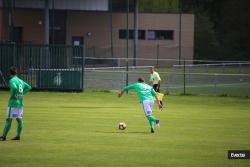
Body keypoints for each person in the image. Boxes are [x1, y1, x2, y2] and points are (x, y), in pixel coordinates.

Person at [0, 67, 32, 141]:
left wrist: (13, 95)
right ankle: (18, 136)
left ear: (10, 73)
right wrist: (21, 94)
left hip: (13, 104)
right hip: (20, 103)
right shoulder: (20, 80)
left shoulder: (12, 80)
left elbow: (14, 88)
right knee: (19, 119)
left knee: (8, 120)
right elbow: (29, 87)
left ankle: (3, 137)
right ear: (16, 73)